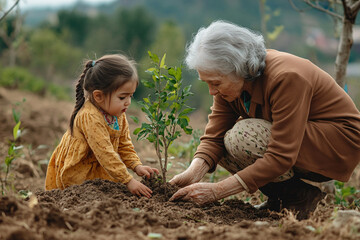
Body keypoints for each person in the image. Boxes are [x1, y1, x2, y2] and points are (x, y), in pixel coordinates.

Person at [169, 20, 360, 220]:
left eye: (215, 83)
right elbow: (213, 137)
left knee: (244, 135)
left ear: (238, 69)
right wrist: (193, 172)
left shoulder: (287, 77)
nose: (211, 91)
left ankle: (296, 199)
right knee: (223, 145)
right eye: (207, 82)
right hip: (298, 143)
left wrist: (217, 191)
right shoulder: (230, 85)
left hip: (338, 143)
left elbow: (281, 155)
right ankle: (293, 197)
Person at [45, 54, 159, 198]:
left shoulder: (118, 115)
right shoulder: (90, 117)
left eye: (131, 96)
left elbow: (124, 145)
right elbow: (105, 153)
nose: (128, 102)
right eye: (122, 97)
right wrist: (128, 180)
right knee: (83, 200)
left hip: (99, 171)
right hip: (80, 174)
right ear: (99, 96)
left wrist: (136, 166)